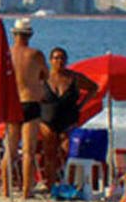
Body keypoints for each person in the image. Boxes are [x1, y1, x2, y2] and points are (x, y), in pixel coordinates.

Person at [39, 47, 98, 187]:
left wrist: (82, 104)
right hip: (47, 121)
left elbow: (93, 88)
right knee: (50, 155)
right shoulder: (43, 78)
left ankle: (69, 183)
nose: (59, 61)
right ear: (50, 60)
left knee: (69, 154)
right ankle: (50, 185)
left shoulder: (74, 78)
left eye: (62, 58)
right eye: (56, 58)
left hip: (69, 121)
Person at [3, 18, 48, 199]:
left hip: (13, 102)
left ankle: (6, 190)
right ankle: (25, 191)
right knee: (28, 151)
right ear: (30, 35)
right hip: (30, 101)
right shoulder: (35, 54)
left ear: (14, 34)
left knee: (10, 150)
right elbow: (45, 74)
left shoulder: (7, 54)